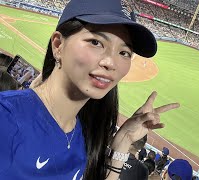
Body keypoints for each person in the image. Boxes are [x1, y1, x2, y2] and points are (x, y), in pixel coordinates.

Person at [0, 0, 180, 179]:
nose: (110, 62)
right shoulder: (6, 118)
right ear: (58, 45)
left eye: (124, 52)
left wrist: (123, 140)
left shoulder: (82, 135)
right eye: (96, 42)